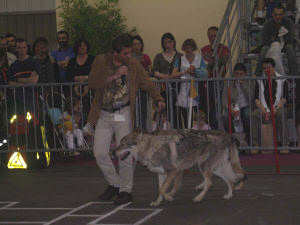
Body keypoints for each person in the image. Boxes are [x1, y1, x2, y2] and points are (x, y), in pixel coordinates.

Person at [84, 34, 165, 205]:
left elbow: (146, 82)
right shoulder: (101, 61)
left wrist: (158, 98)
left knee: (125, 153)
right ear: (115, 53)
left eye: (130, 53)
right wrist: (114, 76)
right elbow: (92, 83)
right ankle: (115, 184)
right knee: (99, 153)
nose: (129, 56)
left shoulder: (134, 64)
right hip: (104, 113)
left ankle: (126, 190)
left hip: (124, 112)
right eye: (126, 53)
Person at [171, 38, 208, 129]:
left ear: (193, 48)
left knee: (195, 117)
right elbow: (173, 74)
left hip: (196, 91)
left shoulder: (199, 58)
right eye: (186, 47)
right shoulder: (180, 59)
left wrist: (195, 71)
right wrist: (184, 72)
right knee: (182, 115)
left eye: (190, 47)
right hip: (182, 91)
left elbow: (205, 74)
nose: (188, 49)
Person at [254, 58, 288, 153]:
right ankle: (255, 145)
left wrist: (276, 108)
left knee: (282, 114)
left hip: (278, 107)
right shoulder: (259, 80)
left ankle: (285, 145)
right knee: (254, 114)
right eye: (264, 68)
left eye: (269, 68)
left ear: (274, 68)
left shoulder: (282, 79)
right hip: (263, 108)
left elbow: (284, 98)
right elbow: (256, 99)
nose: (266, 70)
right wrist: (264, 109)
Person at [201, 26, 230, 129]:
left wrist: (211, 60)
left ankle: (220, 129)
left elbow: (223, 61)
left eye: (215, 36)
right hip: (208, 82)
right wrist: (214, 61)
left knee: (220, 107)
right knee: (209, 108)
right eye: (210, 36)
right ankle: (213, 129)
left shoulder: (225, 49)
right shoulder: (204, 49)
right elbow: (206, 65)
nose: (212, 38)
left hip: (220, 82)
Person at [255, 4, 297, 76]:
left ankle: (294, 74)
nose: (278, 17)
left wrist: (284, 39)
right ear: (272, 14)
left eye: (280, 14)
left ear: (284, 14)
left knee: (290, 48)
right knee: (264, 49)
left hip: (285, 44)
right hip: (271, 45)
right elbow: (264, 39)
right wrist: (274, 40)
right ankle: (258, 73)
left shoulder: (289, 22)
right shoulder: (267, 24)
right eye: (276, 14)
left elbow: (291, 37)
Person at [222, 63, 256, 146]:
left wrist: (243, 85)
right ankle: (232, 139)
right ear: (234, 73)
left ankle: (249, 139)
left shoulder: (250, 81)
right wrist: (230, 108)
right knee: (225, 115)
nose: (239, 76)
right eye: (237, 74)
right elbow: (224, 99)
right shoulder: (229, 82)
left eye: (241, 74)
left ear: (245, 74)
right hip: (233, 106)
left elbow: (251, 97)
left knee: (247, 114)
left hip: (246, 105)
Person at [153, 33, 181, 128]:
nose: (168, 44)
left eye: (170, 41)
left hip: (178, 89)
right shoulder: (158, 57)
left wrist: (174, 76)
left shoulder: (180, 56)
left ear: (173, 42)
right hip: (163, 89)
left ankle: (178, 131)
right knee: (165, 111)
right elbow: (155, 72)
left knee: (178, 111)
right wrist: (167, 77)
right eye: (165, 42)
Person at [131, 35, 152, 130]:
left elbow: (150, 70)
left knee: (143, 109)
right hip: (131, 87)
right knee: (132, 110)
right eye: (134, 44)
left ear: (141, 45)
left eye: (138, 44)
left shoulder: (145, 57)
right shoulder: (128, 57)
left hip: (143, 87)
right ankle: (133, 129)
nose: (136, 46)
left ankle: (143, 129)